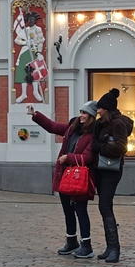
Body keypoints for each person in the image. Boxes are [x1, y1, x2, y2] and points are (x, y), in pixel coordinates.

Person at [29, 106, 98, 258]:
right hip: (65, 176)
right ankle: (71, 241)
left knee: (81, 211)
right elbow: (52, 126)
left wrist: (68, 157)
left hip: (80, 178)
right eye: (81, 112)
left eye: (85, 113)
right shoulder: (72, 128)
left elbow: (88, 158)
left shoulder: (92, 135)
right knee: (68, 211)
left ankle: (87, 245)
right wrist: (36, 115)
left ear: (92, 116)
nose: (81, 115)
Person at [89, 88, 133, 265]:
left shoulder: (118, 124)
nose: (97, 111)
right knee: (103, 207)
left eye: (100, 108)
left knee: (105, 206)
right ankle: (109, 247)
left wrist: (101, 146)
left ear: (107, 109)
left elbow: (120, 148)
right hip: (100, 168)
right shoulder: (101, 123)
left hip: (111, 170)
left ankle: (115, 248)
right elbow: (94, 142)